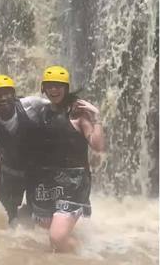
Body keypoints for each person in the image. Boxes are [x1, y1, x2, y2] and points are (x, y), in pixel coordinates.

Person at [27, 65, 105, 252]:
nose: (54, 90)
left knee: (57, 237)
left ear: (66, 88)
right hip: (47, 181)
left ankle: (86, 256)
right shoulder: (41, 112)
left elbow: (98, 146)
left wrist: (97, 118)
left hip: (74, 182)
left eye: (59, 86)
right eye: (50, 85)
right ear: (43, 88)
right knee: (47, 228)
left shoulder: (78, 114)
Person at [0, 74, 48, 224]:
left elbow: (59, 107)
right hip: (12, 173)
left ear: (14, 95)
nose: (3, 98)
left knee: (40, 219)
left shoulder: (31, 104)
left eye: (6, 93)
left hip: (38, 171)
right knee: (7, 219)